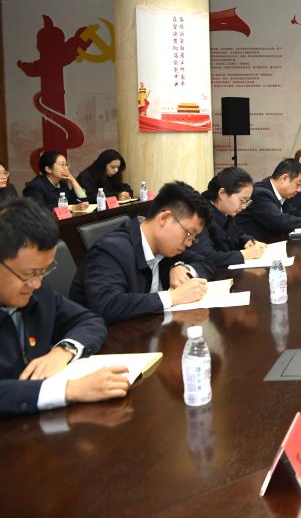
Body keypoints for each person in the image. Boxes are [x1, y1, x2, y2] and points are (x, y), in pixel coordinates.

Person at [1, 198, 130, 417]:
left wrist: (63, 351)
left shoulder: (37, 291)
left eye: (43, 271)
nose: (37, 284)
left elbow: (89, 320)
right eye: (28, 274)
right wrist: (68, 390)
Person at [68, 182, 213, 325]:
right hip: (103, 336)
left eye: (193, 238)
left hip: (148, 330)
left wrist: (181, 268)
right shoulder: (110, 250)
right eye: (189, 234)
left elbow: (208, 263)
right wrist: (173, 297)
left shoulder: (167, 248)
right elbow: (107, 305)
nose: (189, 243)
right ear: (164, 218)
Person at [235, 159, 301, 241]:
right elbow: (278, 220)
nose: (299, 190)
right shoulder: (260, 193)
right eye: (298, 184)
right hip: (254, 250)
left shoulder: (282, 195)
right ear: (284, 179)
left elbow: (293, 213)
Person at [190, 168, 266, 269]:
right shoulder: (200, 215)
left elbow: (239, 234)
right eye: (242, 200)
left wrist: (248, 241)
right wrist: (243, 255)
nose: (244, 207)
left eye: (247, 201)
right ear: (222, 194)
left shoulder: (225, 211)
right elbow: (206, 256)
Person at [22, 151, 88, 211]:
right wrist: (70, 208)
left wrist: (73, 180)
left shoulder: (62, 183)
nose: (66, 168)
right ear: (48, 169)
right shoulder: (35, 186)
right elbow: (40, 210)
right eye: (62, 165)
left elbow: (78, 200)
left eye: (66, 164)